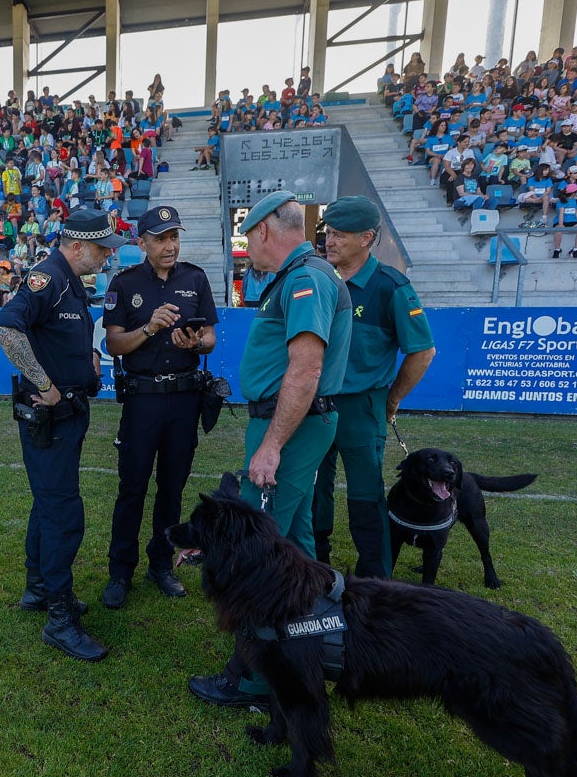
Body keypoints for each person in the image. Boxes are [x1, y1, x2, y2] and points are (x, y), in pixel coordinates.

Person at [182, 190, 352, 710]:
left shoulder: (304, 279)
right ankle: (314, 651)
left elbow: (305, 369)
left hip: (289, 428)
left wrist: (272, 445)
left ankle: (254, 680)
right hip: (294, 424)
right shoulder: (308, 276)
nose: (246, 251)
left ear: (260, 232)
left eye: (246, 239)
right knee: (295, 546)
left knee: (260, 554)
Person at [0, 208, 122, 662]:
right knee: (63, 513)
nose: (108, 255)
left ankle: (39, 589)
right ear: (77, 245)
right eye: (103, 247)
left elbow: (58, 334)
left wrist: (84, 354)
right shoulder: (49, 276)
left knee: (48, 505)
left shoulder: (69, 280)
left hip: (67, 414)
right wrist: (45, 385)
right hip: (52, 417)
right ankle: (60, 620)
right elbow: (7, 329)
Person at [100, 206, 218, 609]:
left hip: (185, 399)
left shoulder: (195, 278)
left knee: (172, 488)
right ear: (142, 242)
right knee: (131, 488)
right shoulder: (124, 281)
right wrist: (149, 328)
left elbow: (211, 339)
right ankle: (120, 571)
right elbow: (112, 344)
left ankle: (161, 563)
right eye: (162, 238)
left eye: (175, 237)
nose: (170, 246)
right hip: (142, 400)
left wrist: (194, 344)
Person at [311, 197, 436, 579]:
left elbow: (422, 351)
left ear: (367, 238)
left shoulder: (390, 286)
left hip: (362, 407)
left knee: (365, 495)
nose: (329, 241)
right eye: (327, 233)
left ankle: (375, 579)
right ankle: (316, 566)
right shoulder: (316, 278)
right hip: (313, 404)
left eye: (339, 235)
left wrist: (392, 398)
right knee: (313, 490)